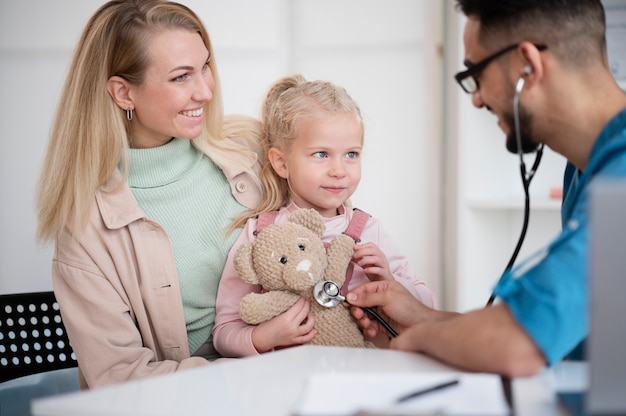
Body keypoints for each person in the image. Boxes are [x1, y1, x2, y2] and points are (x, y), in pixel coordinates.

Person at [347, 0, 626, 377]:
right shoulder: (586, 169)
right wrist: (422, 317)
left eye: (476, 74)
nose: (476, 98)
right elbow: (554, 331)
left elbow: (517, 345)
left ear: (529, 63)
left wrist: (415, 339)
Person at [35, 0, 264, 389]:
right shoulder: (83, 226)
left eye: (205, 66)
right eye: (181, 77)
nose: (206, 91)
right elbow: (121, 376)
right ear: (124, 93)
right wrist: (255, 376)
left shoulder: (254, 150)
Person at [212, 74, 436, 357]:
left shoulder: (370, 233)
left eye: (351, 154)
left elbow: (428, 308)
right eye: (321, 154)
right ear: (281, 163)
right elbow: (224, 331)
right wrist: (262, 337)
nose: (339, 170)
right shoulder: (259, 234)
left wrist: (391, 282)